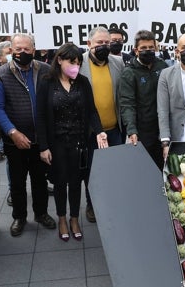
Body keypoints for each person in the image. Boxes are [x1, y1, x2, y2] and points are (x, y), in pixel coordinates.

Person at [36, 43, 108, 242]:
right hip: (56, 142)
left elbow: (92, 111)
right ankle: (61, 219)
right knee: (60, 183)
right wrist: (43, 147)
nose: (75, 66)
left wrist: (100, 132)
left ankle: (74, 218)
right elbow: (40, 116)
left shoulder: (83, 82)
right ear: (59, 60)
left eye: (78, 62)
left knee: (76, 183)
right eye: (71, 62)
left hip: (79, 142)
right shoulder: (46, 82)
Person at [0, 34, 56, 236]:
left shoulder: (45, 70)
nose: (22, 53)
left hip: (41, 139)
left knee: (40, 180)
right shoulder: (0, 74)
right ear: (11, 50)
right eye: (18, 49)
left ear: (34, 50)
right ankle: (19, 217)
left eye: (27, 49)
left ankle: (41, 213)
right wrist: (12, 132)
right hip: (14, 141)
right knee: (17, 183)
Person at [79, 26, 124, 223]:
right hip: (89, 131)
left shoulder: (118, 63)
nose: (104, 46)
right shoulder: (78, 63)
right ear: (89, 44)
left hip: (114, 129)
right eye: (99, 43)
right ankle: (92, 204)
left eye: (107, 43)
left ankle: (112, 202)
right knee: (92, 170)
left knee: (114, 169)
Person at [119, 30, 169, 169]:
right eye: (144, 48)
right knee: (145, 169)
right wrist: (132, 130)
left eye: (151, 48)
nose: (148, 51)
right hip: (143, 130)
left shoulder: (162, 66)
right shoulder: (129, 73)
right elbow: (127, 103)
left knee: (165, 169)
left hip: (163, 128)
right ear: (136, 50)